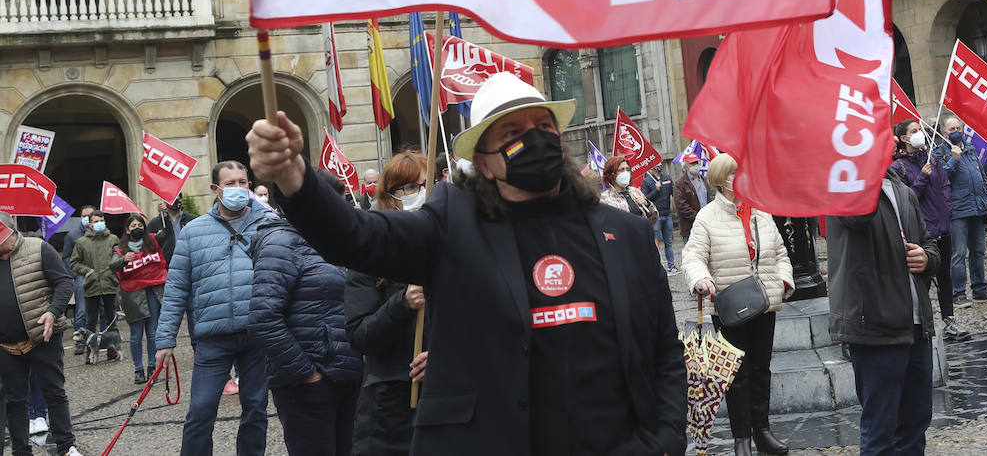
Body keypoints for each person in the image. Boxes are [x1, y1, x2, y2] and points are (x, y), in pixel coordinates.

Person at [247, 71, 687, 455]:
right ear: (483, 162)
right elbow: (357, 238)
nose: (534, 137)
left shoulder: (624, 231)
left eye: (542, 125)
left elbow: (665, 348)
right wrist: (292, 176)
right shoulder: (451, 225)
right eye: (512, 132)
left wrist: (666, 438)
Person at [155, 160, 273, 456]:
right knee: (200, 412)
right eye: (230, 183)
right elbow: (176, 288)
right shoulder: (194, 231)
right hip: (211, 337)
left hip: (257, 335)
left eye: (243, 182)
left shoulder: (269, 223)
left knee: (257, 409)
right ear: (215, 189)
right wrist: (165, 340)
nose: (238, 189)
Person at [682, 153, 792, 456]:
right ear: (721, 179)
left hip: (764, 304)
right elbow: (692, 256)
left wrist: (782, 282)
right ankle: (741, 438)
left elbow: (781, 252)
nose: (742, 177)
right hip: (729, 307)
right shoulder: (707, 216)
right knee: (735, 374)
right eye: (735, 173)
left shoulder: (761, 211)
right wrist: (701, 279)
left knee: (761, 370)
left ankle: (763, 431)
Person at [828, 163, 939, 456]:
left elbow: (929, 242)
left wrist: (927, 258)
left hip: (915, 325)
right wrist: (863, 170)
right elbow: (858, 218)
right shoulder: (845, 187)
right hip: (874, 324)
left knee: (916, 422)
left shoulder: (903, 190)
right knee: (880, 429)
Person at [251, 168, 363, 456]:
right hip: (311, 383)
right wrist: (307, 374)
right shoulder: (280, 243)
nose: (342, 211)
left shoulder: (329, 239)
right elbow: (264, 318)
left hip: (345, 374)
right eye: (335, 203)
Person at [345, 151, 431, 456]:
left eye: (423, 185)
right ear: (388, 196)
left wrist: (445, 355)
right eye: (406, 188)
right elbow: (360, 336)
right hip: (390, 409)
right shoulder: (370, 254)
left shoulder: (456, 245)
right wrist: (402, 304)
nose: (416, 194)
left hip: (448, 402)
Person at [0, 212, 82, 456]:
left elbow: (65, 282)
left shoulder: (38, 249)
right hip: (6, 345)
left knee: (54, 392)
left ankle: (66, 446)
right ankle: (21, 451)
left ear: (9, 232)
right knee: (15, 402)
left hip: (42, 337)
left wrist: (53, 312)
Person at [889, 120, 964, 341]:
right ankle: (924, 324)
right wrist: (922, 177)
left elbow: (945, 186)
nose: (919, 133)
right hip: (922, 230)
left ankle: (950, 321)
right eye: (914, 131)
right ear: (903, 139)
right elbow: (906, 198)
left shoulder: (933, 158)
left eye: (919, 130)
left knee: (945, 276)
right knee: (922, 278)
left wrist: (947, 209)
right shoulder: (898, 168)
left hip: (943, 225)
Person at [942, 117, 987, 306]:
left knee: (978, 251)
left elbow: (982, 177)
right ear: (945, 132)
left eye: (959, 127)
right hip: (957, 211)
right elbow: (942, 178)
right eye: (952, 128)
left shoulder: (970, 149)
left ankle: (980, 289)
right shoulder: (940, 151)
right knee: (958, 254)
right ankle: (959, 293)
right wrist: (954, 159)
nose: (956, 130)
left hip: (977, 208)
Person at [112, 213, 169, 385]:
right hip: (132, 295)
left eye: (140, 225)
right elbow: (112, 266)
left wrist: (163, 214)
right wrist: (123, 260)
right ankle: (138, 369)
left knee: (152, 332)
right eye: (133, 226)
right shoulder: (120, 248)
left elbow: (166, 232)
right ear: (127, 230)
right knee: (136, 334)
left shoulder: (152, 240)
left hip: (152, 291)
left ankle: (153, 366)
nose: (137, 228)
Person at [69, 211, 120, 362]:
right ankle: (89, 353)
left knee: (111, 319)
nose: (99, 223)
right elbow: (74, 262)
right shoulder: (82, 242)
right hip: (91, 286)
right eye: (96, 221)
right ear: (90, 224)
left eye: (102, 220)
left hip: (109, 284)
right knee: (90, 321)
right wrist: (87, 271)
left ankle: (113, 350)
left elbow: (119, 258)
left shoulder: (113, 239)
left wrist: (115, 272)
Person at [60, 207, 93, 354]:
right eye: (84, 215)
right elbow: (66, 258)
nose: (87, 218)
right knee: (81, 310)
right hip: (81, 277)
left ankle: (103, 339)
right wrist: (76, 275)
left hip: (99, 276)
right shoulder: (72, 235)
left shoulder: (100, 232)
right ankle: (80, 342)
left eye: (90, 215)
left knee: (104, 309)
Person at [641, 164, 678, 276]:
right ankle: (658, 267)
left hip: (667, 214)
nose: (659, 167)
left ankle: (672, 266)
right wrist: (656, 190)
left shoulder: (667, 178)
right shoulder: (647, 181)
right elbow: (645, 199)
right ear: (651, 168)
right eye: (656, 165)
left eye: (660, 164)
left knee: (669, 242)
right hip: (655, 216)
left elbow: (674, 193)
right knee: (655, 244)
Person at [599, 155, 658, 221]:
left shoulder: (635, 191)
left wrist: (647, 204)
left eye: (628, 169)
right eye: (622, 170)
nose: (626, 173)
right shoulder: (605, 198)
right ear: (612, 174)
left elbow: (653, 219)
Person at [673, 152, 712, 241]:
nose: (695, 165)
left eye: (696, 162)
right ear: (686, 166)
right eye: (692, 163)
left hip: (707, 225)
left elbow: (710, 199)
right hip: (690, 228)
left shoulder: (704, 180)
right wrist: (698, 218)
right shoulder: (680, 183)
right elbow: (681, 205)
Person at [148, 195, 195, 262]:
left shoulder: (192, 219)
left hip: (189, 260)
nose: (174, 200)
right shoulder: (155, 223)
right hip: (166, 265)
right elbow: (149, 246)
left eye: (177, 197)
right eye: (170, 198)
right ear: (164, 202)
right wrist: (164, 216)